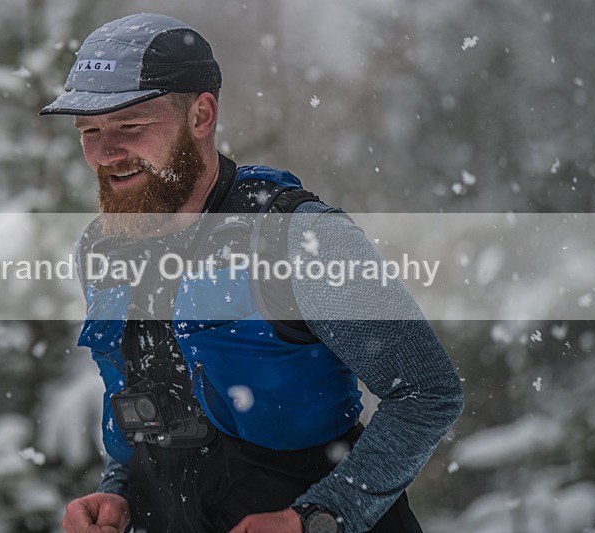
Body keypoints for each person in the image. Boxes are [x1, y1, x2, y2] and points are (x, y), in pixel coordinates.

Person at [41, 13, 464, 533]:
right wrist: (118, 492)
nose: (105, 154)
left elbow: (427, 392)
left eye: (130, 126)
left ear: (201, 115)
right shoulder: (102, 249)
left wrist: (318, 517)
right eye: (89, 131)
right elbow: (145, 409)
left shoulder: (299, 238)